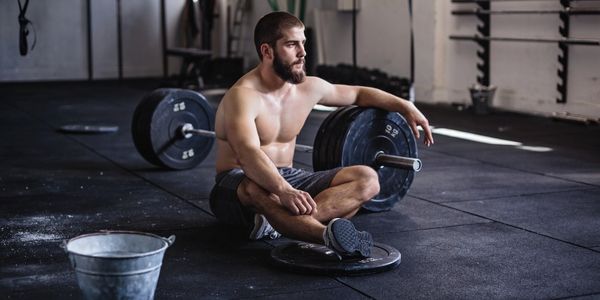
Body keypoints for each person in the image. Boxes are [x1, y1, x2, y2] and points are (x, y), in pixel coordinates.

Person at [209, 11, 433, 258]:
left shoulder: (308, 88)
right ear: (267, 51)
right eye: (292, 44)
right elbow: (248, 153)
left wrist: (405, 106)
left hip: (288, 176)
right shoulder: (243, 96)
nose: (303, 52)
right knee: (257, 188)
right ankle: (324, 235)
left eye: (303, 43)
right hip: (237, 186)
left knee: (368, 179)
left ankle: (278, 224)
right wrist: (284, 192)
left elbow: (359, 94)